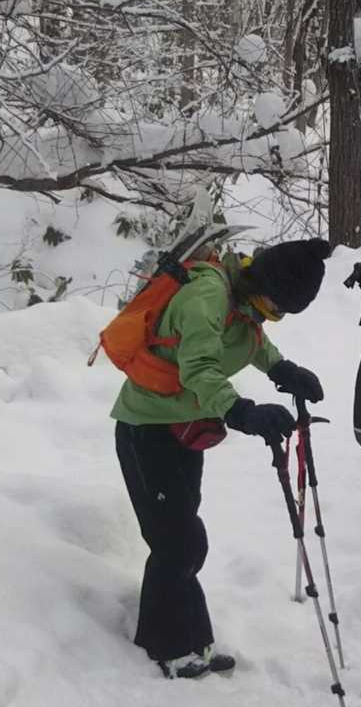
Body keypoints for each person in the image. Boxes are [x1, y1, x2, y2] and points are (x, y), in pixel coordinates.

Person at [110, 238, 332, 680]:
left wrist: (281, 369)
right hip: (145, 428)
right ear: (262, 283)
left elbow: (249, 336)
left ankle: (192, 640)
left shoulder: (242, 299)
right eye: (278, 307)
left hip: (182, 426)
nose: (277, 316)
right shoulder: (208, 295)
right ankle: (164, 645)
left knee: (183, 538)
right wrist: (241, 412)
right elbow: (198, 368)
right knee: (178, 542)